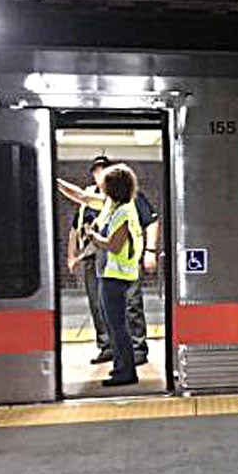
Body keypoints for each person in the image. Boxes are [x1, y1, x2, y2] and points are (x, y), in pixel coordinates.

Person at [59, 159, 160, 366]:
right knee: (103, 307)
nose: (100, 179)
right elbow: (81, 197)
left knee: (130, 304)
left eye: (105, 175)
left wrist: (150, 251)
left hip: (123, 264)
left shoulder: (126, 205)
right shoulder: (108, 203)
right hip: (103, 262)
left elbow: (116, 243)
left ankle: (136, 349)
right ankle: (113, 349)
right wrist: (58, 182)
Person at [81, 163, 143, 387]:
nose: (102, 187)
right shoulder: (117, 208)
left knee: (117, 326)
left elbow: (114, 245)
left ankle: (126, 372)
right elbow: (82, 197)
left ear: (113, 187)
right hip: (111, 274)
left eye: (105, 183)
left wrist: (92, 234)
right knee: (113, 324)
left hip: (116, 276)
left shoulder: (123, 212)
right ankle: (120, 368)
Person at [66, 156, 113, 364]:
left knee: (114, 302)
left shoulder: (116, 195)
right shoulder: (88, 197)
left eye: (103, 170)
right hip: (90, 256)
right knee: (96, 303)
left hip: (112, 256)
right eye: (96, 171)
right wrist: (72, 255)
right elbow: (75, 230)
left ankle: (122, 345)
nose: (99, 175)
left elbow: (80, 196)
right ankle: (106, 346)